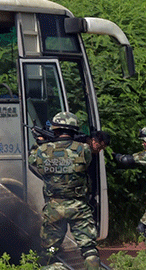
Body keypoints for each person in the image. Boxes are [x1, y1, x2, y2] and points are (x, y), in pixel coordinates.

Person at [27, 112, 100, 270]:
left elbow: (32, 161)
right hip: (79, 207)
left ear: (55, 130)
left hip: (54, 209)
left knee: (49, 251)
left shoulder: (42, 150)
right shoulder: (84, 149)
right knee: (89, 250)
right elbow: (84, 161)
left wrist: (41, 143)